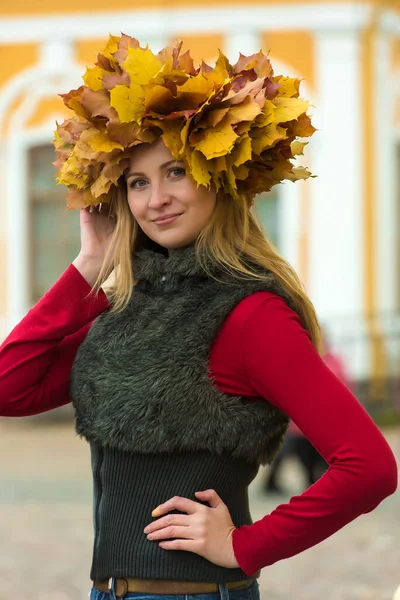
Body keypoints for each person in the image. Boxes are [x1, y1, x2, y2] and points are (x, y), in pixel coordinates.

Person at [0, 35, 397, 600]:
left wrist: (244, 546)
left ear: (219, 177)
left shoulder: (251, 315)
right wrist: (89, 265)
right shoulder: (133, 310)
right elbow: (9, 388)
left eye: (176, 172)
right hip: (111, 592)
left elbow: (370, 468)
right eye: (138, 182)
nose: (155, 198)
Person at [263, 328, 352, 494]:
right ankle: (311, 487)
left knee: (324, 458)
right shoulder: (301, 361)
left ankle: (326, 488)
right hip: (302, 425)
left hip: (326, 424)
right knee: (302, 457)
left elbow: (345, 389)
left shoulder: (334, 361)